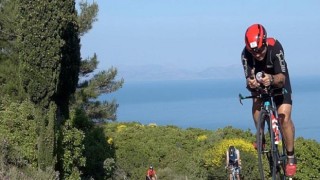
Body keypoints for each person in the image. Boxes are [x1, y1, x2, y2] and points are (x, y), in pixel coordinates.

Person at [241, 23, 297, 177]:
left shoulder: (275, 47)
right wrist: (251, 82)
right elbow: (248, 79)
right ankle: (260, 137)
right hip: (260, 81)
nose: (257, 54)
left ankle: (291, 158)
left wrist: (271, 79)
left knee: (284, 118)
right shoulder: (245, 54)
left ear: (265, 42)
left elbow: (281, 78)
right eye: (253, 52)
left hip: (278, 79)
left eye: (259, 50)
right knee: (256, 102)